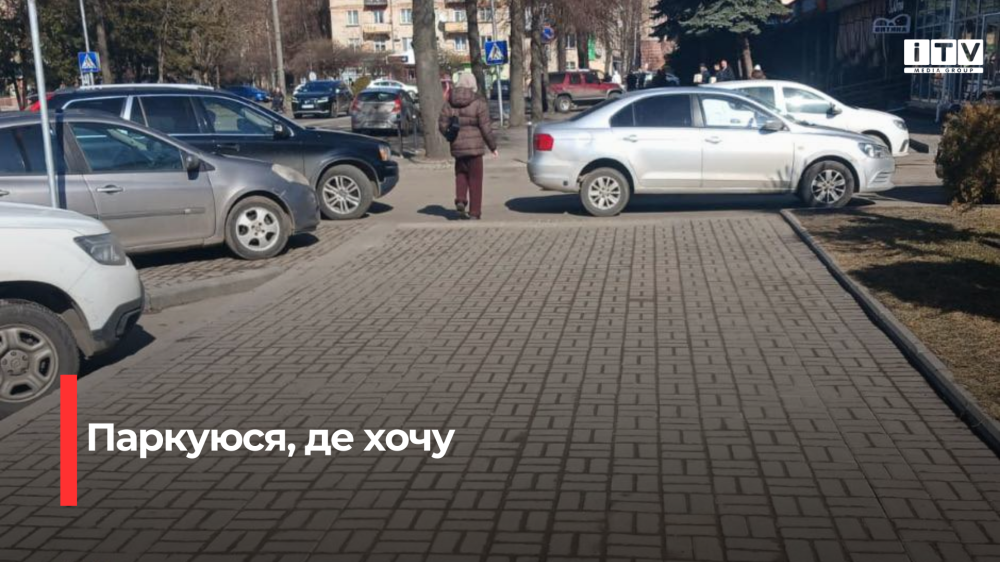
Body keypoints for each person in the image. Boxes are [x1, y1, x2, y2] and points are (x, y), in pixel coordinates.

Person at [438, 72, 498, 221]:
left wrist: (450, 135)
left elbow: (442, 124)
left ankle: (460, 199)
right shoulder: (479, 102)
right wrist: (493, 146)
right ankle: (474, 212)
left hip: (458, 147)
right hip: (475, 148)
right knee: (476, 180)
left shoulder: (450, 101)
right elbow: (485, 127)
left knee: (461, 174)